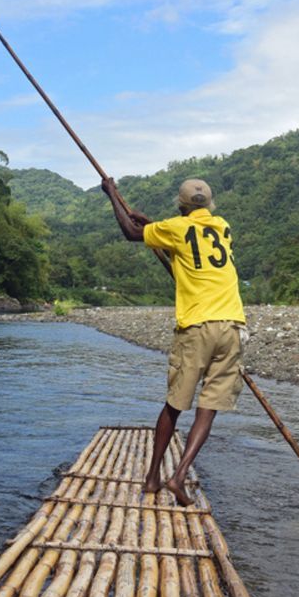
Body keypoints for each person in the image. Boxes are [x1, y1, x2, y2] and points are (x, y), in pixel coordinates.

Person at [101, 176, 246, 506]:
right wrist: (153, 225)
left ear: (181, 206)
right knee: (207, 411)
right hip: (232, 326)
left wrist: (112, 195)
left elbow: (131, 234)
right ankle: (179, 475)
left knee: (175, 404)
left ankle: (153, 478)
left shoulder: (177, 228)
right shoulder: (222, 226)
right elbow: (184, 240)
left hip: (196, 328)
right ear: (209, 204)